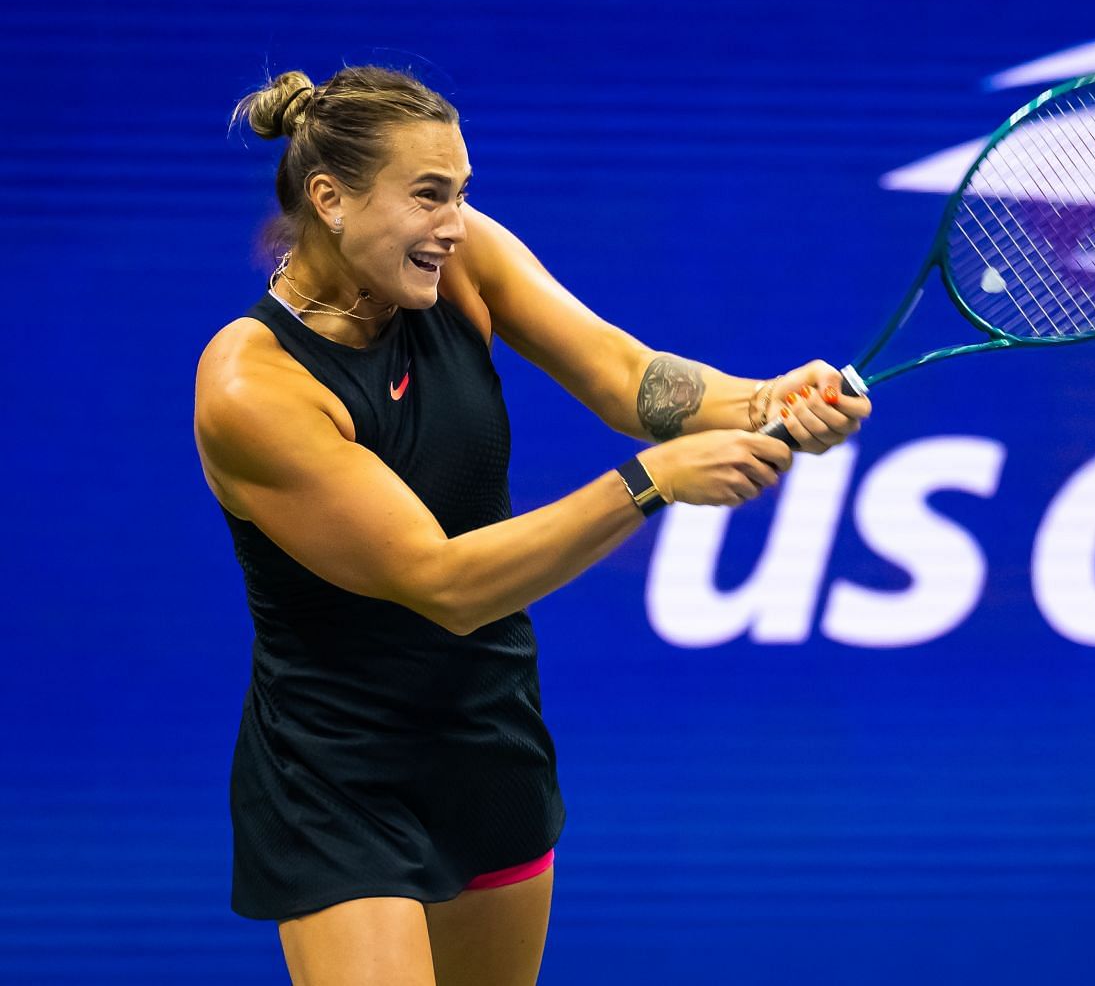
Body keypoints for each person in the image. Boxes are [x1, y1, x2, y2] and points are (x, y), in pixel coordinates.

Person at [194, 65, 870, 986]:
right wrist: (654, 482)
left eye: (462, 194)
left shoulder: (459, 261)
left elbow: (625, 376)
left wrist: (764, 401)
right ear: (331, 199)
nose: (455, 223)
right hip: (338, 773)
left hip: (486, 736)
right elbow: (444, 583)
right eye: (429, 195)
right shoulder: (253, 387)